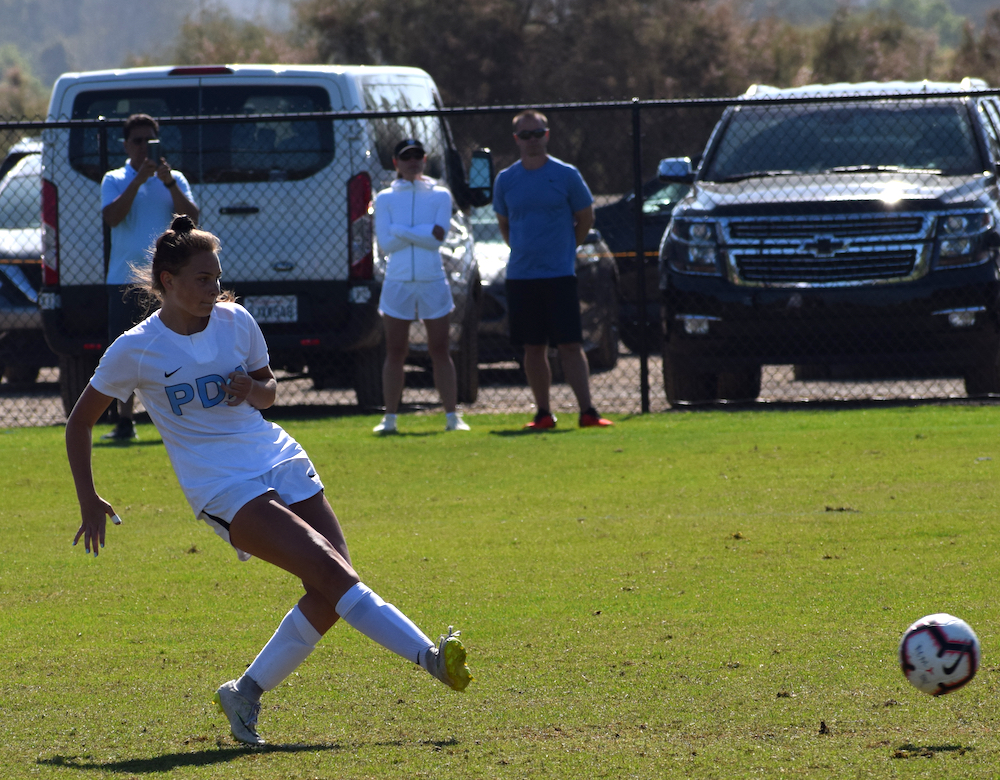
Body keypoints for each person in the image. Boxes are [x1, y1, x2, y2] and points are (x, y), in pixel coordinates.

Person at [65, 216, 472, 746]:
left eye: (216, 277)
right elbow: (80, 421)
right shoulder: (136, 348)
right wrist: (88, 498)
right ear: (166, 281)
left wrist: (251, 390)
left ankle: (244, 693)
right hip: (220, 483)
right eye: (200, 279)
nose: (214, 289)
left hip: (276, 454)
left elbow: (269, 390)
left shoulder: (236, 321)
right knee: (331, 572)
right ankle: (430, 657)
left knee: (332, 584)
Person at [493, 110, 614, 430]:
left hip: (559, 274)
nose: (532, 141)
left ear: (547, 135)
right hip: (522, 276)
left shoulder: (566, 175)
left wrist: (565, 249)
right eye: (525, 135)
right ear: (516, 139)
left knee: (570, 345)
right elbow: (505, 224)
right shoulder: (506, 180)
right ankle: (543, 413)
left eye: (538, 134)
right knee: (533, 347)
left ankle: (587, 411)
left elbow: (585, 217)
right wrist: (523, 250)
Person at [100, 113, 199, 440]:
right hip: (125, 280)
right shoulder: (114, 179)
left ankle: (183, 417)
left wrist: (167, 181)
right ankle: (125, 421)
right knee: (125, 351)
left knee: (176, 347)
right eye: (137, 141)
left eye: (149, 140)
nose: (144, 147)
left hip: (170, 281)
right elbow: (112, 218)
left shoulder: (175, 179)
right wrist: (138, 181)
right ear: (126, 145)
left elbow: (193, 218)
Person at [372, 138, 470, 434]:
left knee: (440, 348)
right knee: (395, 349)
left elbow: (438, 238)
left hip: (432, 279)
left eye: (417, 156)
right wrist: (418, 233)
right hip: (398, 281)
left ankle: (452, 417)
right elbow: (386, 244)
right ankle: (389, 418)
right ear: (396, 163)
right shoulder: (385, 198)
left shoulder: (440, 195)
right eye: (406, 157)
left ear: (425, 160)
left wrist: (401, 230)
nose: (412, 162)